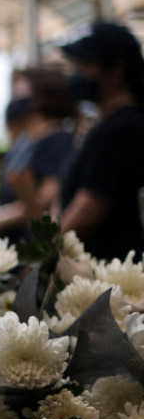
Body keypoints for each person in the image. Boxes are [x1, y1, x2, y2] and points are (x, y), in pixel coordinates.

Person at [59, 22, 144, 260]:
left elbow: (89, 208)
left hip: (110, 277)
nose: (75, 74)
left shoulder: (124, 127)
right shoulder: (109, 124)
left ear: (116, 71)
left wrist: (46, 260)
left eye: (84, 65)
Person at [0, 68, 75, 241]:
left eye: (22, 89)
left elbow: (46, 199)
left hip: (29, 240)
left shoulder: (58, 140)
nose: (16, 96)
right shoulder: (26, 141)